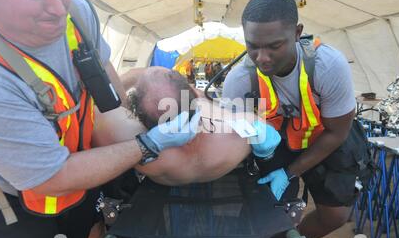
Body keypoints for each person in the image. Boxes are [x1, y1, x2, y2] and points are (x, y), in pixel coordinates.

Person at [0, 0, 203, 238]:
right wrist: (147, 144)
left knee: (87, 231)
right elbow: (52, 178)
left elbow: (109, 90)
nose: (56, 6)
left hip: (77, 162)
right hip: (16, 199)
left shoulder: (74, 10)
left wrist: (139, 103)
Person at [222, 0, 373, 238]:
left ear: (297, 33)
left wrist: (291, 172)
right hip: (276, 143)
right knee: (271, 211)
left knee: (335, 216)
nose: (262, 58)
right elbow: (231, 139)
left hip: (325, 136)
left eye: (274, 46)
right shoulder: (240, 79)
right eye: (252, 46)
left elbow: (338, 132)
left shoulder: (327, 66)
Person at [93, 67, 282, 188]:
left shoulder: (129, 144)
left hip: (165, 178)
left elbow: (99, 105)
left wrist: (135, 75)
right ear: (193, 94)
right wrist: (203, 103)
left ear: (139, 118)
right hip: (219, 163)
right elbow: (265, 135)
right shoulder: (238, 136)